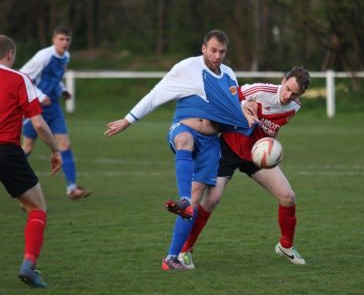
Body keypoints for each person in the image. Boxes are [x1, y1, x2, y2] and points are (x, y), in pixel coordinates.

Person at [104, 30, 257, 270]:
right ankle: (183, 198)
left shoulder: (228, 74)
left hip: (210, 143)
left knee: (196, 203)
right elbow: (156, 94)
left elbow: (233, 105)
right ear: (203, 48)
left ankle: (171, 258)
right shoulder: (186, 68)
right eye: (213, 50)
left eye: (222, 52)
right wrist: (128, 120)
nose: (217, 56)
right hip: (184, 127)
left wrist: (245, 110)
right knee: (185, 141)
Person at [178, 66, 311, 269]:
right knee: (212, 199)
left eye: (295, 94)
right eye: (287, 89)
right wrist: (243, 105)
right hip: (229, 148)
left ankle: (286, 245)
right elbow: (228, 96)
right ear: (283, 80)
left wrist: (272, 149)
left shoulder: (294, 107)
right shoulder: (259, 90)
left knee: (288, 196)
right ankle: (185, 250)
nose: (288, 96)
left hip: (257, 156)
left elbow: (272, 127)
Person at [0, 35, 62, 287]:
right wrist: (55, 150)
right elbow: (38, 123)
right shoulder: (18, 79)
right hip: (7, 152)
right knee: (37, 208)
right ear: (11, 54)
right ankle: (28, 265)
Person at [21, 26, 90, 200]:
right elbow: (22, 77)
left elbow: (54, 78)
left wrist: (62, 90)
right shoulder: (43, 56)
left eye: (67, 40)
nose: (64, 43)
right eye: (61, 39)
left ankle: (72, 188)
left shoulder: (65, 56)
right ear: (54, 40)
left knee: (64, 145)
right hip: (36, 108)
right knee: (27, 147)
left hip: (53, 108)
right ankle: (13, 179)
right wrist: (41, 96)